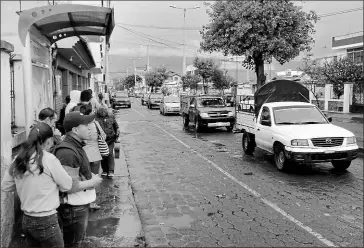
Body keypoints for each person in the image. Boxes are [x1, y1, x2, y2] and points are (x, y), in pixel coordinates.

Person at [2, 123, 73, 248]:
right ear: (49, 140)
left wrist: (23, 184)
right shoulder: (49, 159)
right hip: (46, 220)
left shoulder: (19, 159)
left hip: (27, 221)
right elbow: (67, 185)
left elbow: (6, 186)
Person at [54, 111, 100, 247]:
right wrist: (92, 182)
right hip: (73, 209)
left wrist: (90, 175)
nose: (89, 127)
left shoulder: (75, 146)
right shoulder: (67, 152)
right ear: (75, 129)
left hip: (78, 206)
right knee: (73, 244)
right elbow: (69, 186)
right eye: (85, 125)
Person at [78, 103, 106, 210]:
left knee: (83, 179)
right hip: (96, 155)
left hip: (84, 156)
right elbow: (103, 136)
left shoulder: (80, 125)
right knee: (93, 179)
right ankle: (92, 202)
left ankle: (83, 201)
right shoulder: (96, 124)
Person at [96, 107, 120, 179]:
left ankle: (111, 171)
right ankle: (105, 170)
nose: (103, 114)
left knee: (109, 153)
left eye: (104, 113)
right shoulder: (96, 118)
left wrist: (117, 135)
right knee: (103, 155)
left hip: (111, 139)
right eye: (101, 113)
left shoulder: (111, 116)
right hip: (101, 140)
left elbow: (116, 126)